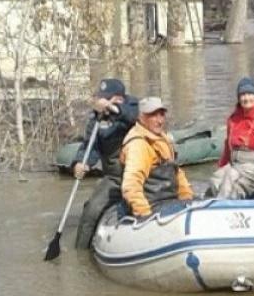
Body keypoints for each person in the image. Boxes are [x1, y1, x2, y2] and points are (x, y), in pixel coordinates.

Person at [73, 77, 139, 249]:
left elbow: (135, 118)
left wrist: (113, 108)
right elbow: (89, 146)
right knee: (91, 210)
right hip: (115, 178)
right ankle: (81, 253)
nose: (100, 102)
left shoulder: (134, 107)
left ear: (118, 99)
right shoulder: (96, 119)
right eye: (99, 98)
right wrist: (81, 163)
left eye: (105, 98)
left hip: (142, 175)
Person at [120, 96, 194, 219]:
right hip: (152, 206)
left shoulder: (163, 138)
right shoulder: (138, 145)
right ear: (141, 117)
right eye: (153, 115)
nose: (159, 121)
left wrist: (187, 198)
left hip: (170, 201)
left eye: (162, 115)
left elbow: (177, 173)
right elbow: (131, 186)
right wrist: (145, 215)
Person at [211, 76, 254, 199]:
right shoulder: (233, 119)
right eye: (243, 95)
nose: (246, 98)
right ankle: (213, 205)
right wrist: (221, 165)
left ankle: (222, 207)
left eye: (249, 94)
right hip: (235, 163)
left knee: (231, 177)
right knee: (216, 179)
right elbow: (227, 146)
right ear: (238, 98)